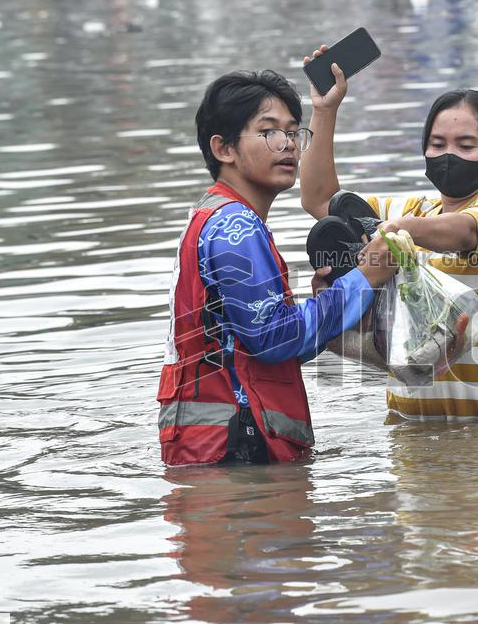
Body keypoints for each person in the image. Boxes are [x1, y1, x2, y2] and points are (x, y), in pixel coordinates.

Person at [158, 69, 397, 466]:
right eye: (269, 132)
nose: (288, 144)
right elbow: (273, 338)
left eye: (293, 132)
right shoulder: (236, 227)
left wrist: (327, 307)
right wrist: (363, 279)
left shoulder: (214, 217)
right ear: (224, 149)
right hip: (235, 446)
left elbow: (253, 344)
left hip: (215, 444)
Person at [300, 46, 478, 420]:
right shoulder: (412, 211)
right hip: (411, 426)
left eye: (466, 145)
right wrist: (324, 109)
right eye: (437, 144)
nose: (449, 155)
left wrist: (396, 231)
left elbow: (464, 232)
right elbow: (320, 199)